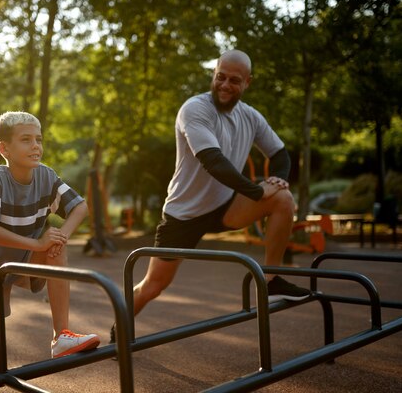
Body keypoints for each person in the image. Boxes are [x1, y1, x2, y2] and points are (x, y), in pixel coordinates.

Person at [111, 50, 310, 342]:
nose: (226, 85)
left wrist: (277, 181)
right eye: (221, 77)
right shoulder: (195, 110)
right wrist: (256, 190)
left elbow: (280, 154)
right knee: (154, 285)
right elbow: (214, 162)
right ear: (213, 75)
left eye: (235, 80)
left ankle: (270, 278)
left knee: (282, 198)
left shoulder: (250, 117)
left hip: (226, 206)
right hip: (184, 213)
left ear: (247, 83)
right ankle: (121, 326)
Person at [0, 111, 100, 392]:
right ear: (5, 149)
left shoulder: (46, 176)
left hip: (25, 260)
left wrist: (60, 237)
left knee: (57, 246)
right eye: (26, 140)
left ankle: (61, 335)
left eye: (38, 139)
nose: (36, 145)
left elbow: (80, 207)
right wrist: (38, 243)